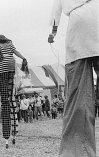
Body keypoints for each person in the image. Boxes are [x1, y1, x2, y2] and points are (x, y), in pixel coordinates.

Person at [49, 0, 99, 155]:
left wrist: (52, 33)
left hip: (79, 28)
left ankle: (76, 152)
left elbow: (55, 13)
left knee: (79, 96)